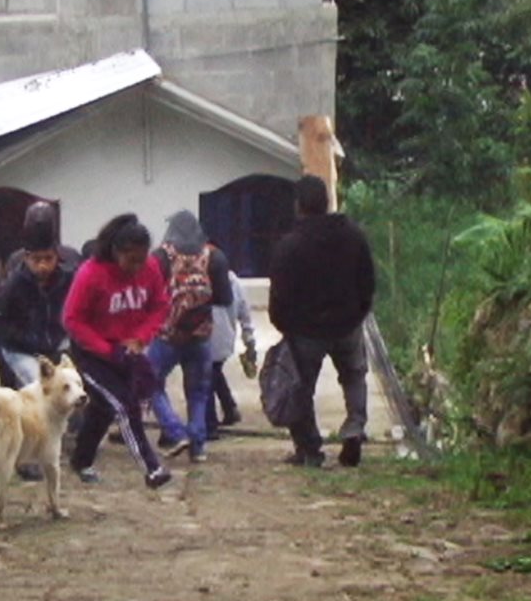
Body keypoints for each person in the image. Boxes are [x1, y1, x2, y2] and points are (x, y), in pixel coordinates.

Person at [268, 175, 376, 468]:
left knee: (301, 388)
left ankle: (310, 449)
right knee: (354, 377)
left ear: (299, 206)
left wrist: (284, 326)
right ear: (327, 202)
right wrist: (359, 312)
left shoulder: (289, 245)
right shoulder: (353, 235)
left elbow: (279, 293)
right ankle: (354, 428)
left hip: (306, 332)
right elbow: (368, 280)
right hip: (348, 323)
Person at [0, 202, 79, 481]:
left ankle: (59, 442)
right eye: (36, 259)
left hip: (55, 343)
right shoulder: (13, 283)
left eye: (48, 258)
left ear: (57, 256)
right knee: (35, 388)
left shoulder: (71, 273)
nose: (42, 265)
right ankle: (26, 457)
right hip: (20, 348)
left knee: (71, 386)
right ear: (26, 258)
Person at [64, 213, 173, 489]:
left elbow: (160, 306)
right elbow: (72, 319)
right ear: (116, 252)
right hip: (92, 353)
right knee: (124, 405)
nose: (137, 267)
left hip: (129, 351)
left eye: (142, 259)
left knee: (104, 408)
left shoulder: (150, 268)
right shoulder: (91, 274)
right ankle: (152, 467)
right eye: (131, 260)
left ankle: (80, 459)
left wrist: (141, 337)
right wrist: (106, 349)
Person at [144, 210, 232, 463]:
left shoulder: (160, 257)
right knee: (198, 393)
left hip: (167, 335)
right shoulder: (214, 256)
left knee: (149, 382)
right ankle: (198, 446)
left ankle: (174, 430)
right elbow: (225, 299)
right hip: (201, 336)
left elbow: (149, 296)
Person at [205, 270, 256, 437]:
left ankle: (210, 424)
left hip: (208, 338)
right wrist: (248, 338)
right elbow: (245, 312)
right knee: (214, 372)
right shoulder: (235, 281)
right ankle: (230, 408)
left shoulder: (202, 280)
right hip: (226, 338)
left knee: (206, 378)